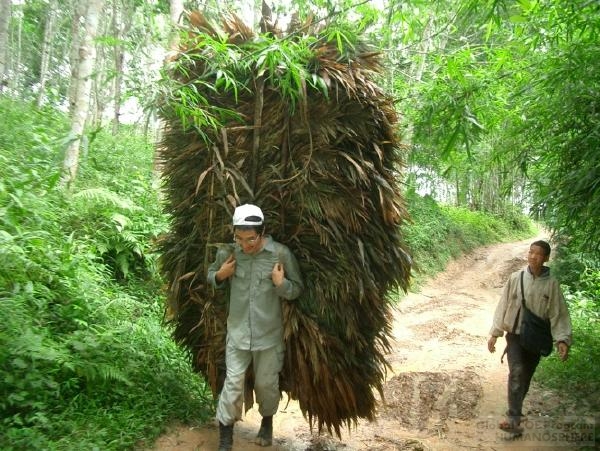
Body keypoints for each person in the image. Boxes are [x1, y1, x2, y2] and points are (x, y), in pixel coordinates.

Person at [207, 204, 303, 451]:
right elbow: (210, 275)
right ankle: (225, 439)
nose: (245, 244)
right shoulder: (230, 253)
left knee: (266, 385)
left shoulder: (279, 254)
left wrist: (281, 285)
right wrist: (220, 275)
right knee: (232, 383)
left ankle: (267, 422)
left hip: (269, 336)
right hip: (237, 333)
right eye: (239, 238)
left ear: (262, 232)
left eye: (250, 239)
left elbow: (297, 289)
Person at [487, 240, 572, 434]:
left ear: (546, 258)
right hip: (515, 336)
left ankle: (515, 415)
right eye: (531, 252)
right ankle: (513, 418)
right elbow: (503, 305)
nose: (533, 256)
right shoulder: (516, 278)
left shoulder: (551, 285)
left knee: (525, 377)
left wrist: (562, 339)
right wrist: (495, 333)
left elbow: (558, 313)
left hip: (536, 338)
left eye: (538, 254)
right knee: (516, 371)